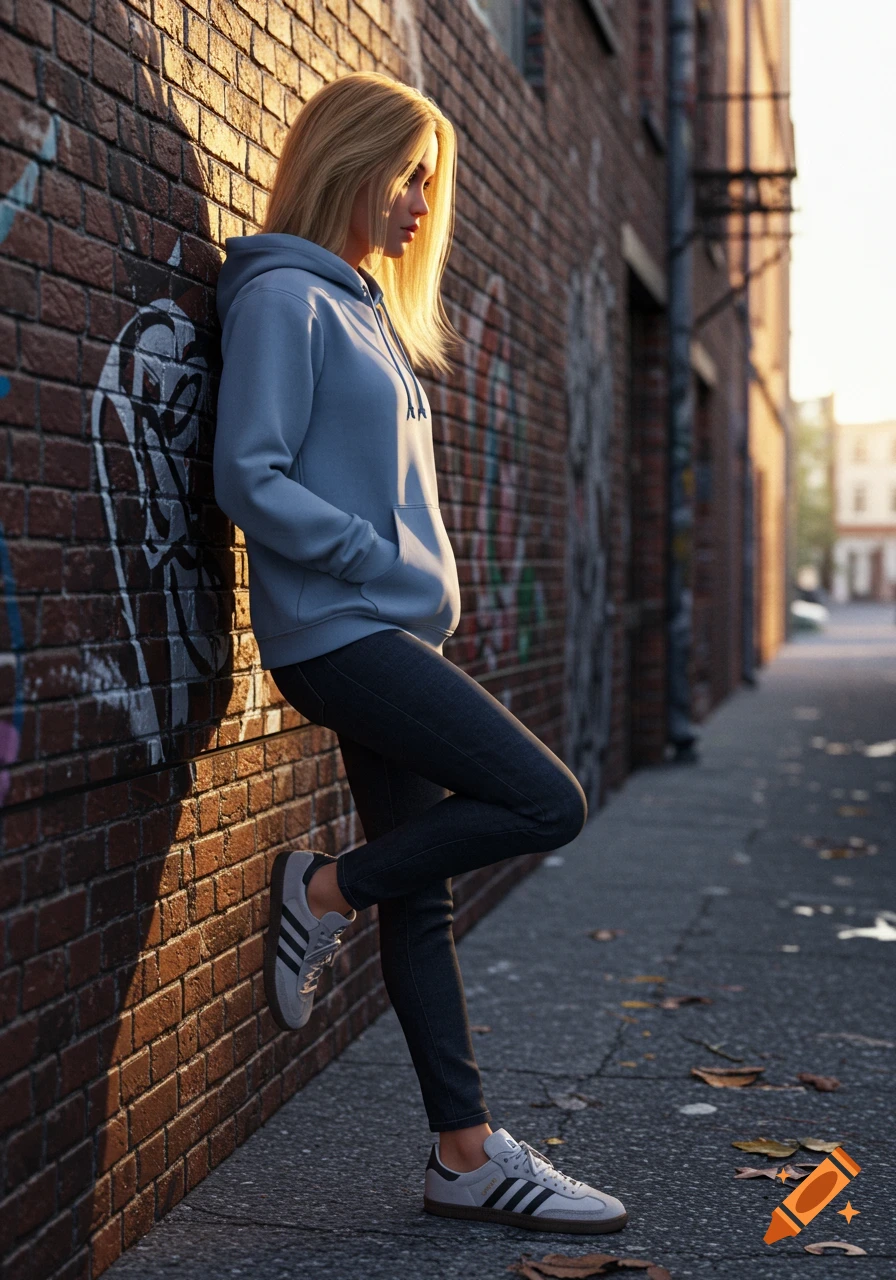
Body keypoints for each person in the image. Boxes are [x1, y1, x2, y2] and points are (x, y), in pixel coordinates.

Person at [213, 70, 627, 1236]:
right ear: (349, 162)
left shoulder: (358, 309)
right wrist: (362, 557)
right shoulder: (280, 299)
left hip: (381, 629)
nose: (416, 205)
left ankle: (462, 1154)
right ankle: (319, 885)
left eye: (427, 184)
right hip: (338, 633)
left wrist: (404, 585)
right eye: (407, 177)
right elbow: (248, 471)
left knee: (425, 897)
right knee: (546, 799)